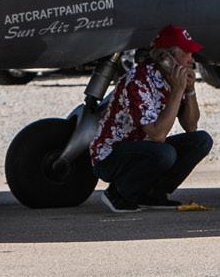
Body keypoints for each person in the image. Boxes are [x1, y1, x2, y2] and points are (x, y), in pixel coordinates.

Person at [90, 24, 213, 213]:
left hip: (145, 149)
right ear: (166, 58)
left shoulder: (173, 79)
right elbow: (157, 135)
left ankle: (152, 194)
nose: (192, 59)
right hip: (111, 156)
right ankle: (118, 194)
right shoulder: (138, 81)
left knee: (201, 141)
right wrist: (177, 90)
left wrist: (189, 91)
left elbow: (191, 126)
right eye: (186, 53)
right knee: (164, 153)